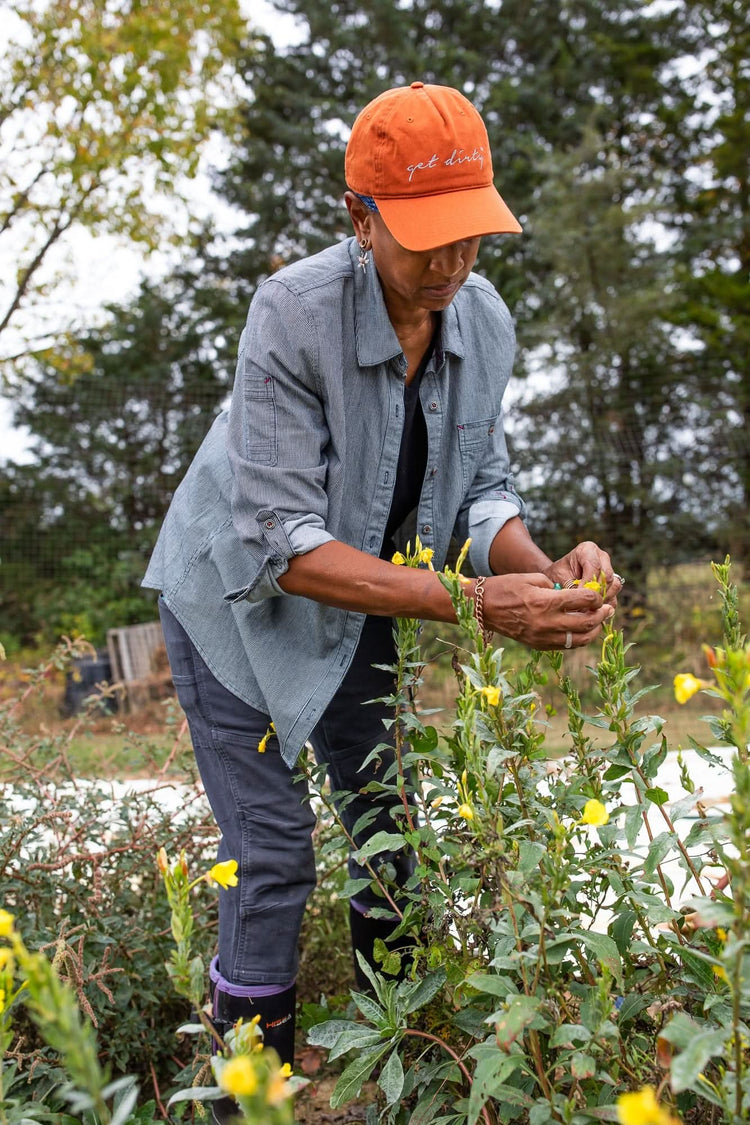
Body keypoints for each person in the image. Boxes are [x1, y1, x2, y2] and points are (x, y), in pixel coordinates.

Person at [143, 81, 620, 1095]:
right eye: (424, 238)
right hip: (234, 603)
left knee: (386, 826)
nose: (450, 263)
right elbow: (283, 545)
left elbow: (479, 493)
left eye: (470, 237)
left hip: (362, 599)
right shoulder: (293, 313)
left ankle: (392, 1059)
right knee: (273, 853)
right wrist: (476, 606)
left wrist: (542, 573)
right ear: (360, 218)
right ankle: (254, 1096)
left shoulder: (481, 319)